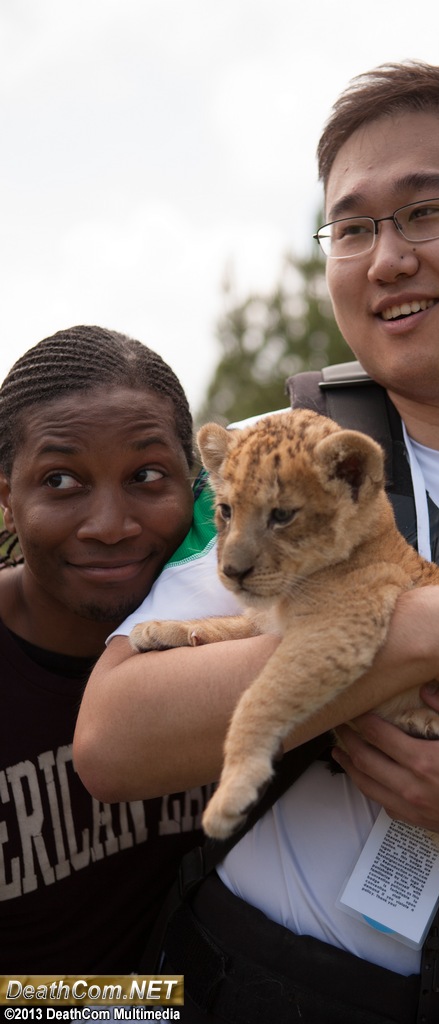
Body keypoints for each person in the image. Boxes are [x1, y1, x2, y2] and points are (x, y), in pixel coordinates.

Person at [74, 63, 439, 1021]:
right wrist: (430, 636)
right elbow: (110, 740)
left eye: (425, 211)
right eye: (351, 228)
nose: (386, 258)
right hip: (269, 991)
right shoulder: (262, 464)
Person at [0, 325, 214, 973]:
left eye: (146, 476)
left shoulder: (229, 642)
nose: (111, 526)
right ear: (7, 497)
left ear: (197, 485)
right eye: (62, 481)